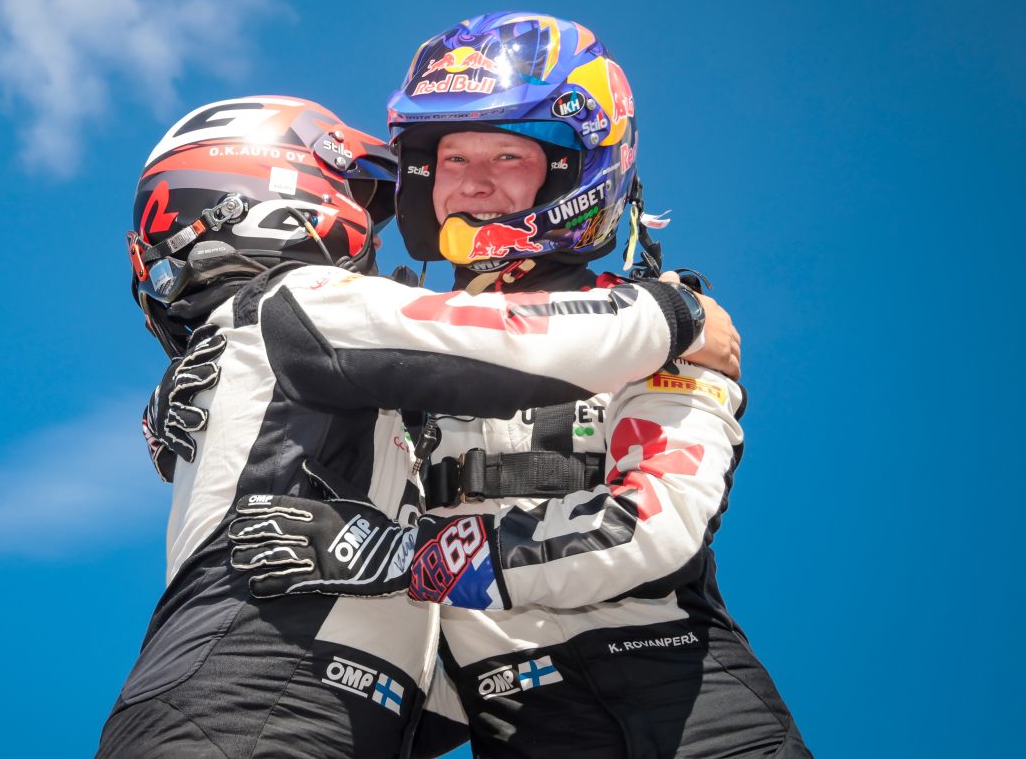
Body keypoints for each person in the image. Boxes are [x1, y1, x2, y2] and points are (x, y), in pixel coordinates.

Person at [227, 12, 809, 757]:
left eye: (508, 154)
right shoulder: (390, 348)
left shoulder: (668, 322)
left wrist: (403, 557)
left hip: (688, 717)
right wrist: (214, 396)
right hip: (513, 728)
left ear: (573, 170)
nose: (473, 183)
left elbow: (652, 528)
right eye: (452, 157)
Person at [97, 94, 733, 759]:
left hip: (298, 705)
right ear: (276, 190)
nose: (376, 242)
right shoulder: (297, 303)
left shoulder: (266, 350)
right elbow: (514, 340)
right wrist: (678, 312)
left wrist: (409, 560)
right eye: (356, 196)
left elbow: (435, 672)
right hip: (252, 694)